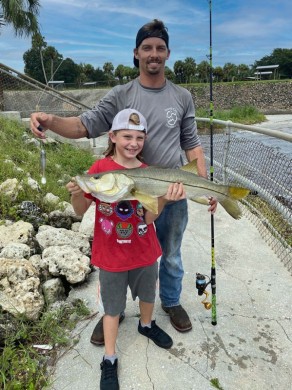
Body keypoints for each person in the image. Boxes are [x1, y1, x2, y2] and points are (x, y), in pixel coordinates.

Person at [31, 19, 217, 341]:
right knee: (120, 254)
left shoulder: (182, 97)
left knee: (170, 252)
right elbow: (83, 125)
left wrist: (207, 187)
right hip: (126, 197)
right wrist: (49, 120)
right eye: (147, 48)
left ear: (168, 53)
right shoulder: (121, 94)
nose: (153, 53)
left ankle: (170, 302)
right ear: (136, 53)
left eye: (160, 48)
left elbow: (192, 144)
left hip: (170, 192)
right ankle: (112, 314)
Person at [66, 108, 185, 390]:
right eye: (127, 136)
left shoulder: (148, 173)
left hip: (144, 250)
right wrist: (76, 192)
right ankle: (109, 358)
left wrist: (166, 200)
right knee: (112, 308)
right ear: (113, 136)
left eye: (139, 138)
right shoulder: (98, 171)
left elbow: (148, 218)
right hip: (110, 256)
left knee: (147, 295)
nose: (133, 143)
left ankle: (146, 325)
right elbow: (82, 208)